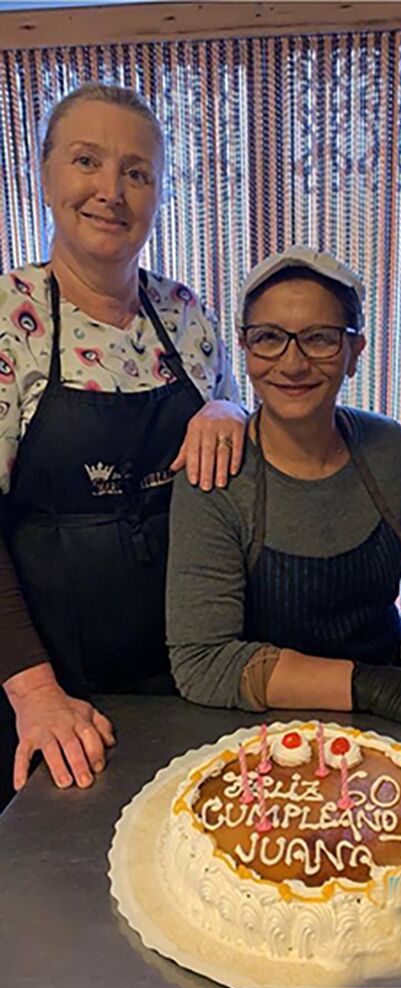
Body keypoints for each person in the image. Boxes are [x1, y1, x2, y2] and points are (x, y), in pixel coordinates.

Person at [0, 82, 246, 798]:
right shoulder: (11, 317)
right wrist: (35, 692)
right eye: (86, 161)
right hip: (52, 697)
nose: (111, 190)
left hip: (189, 678)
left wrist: (231, 412)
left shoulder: (185, 314)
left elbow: (236, 442)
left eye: (136, 173)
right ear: (44, 177)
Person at [167, 246, 401, 737]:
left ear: (354, 354)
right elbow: (203, 663)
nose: (293, 363)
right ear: (244, 348)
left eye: (320, 339)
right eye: (268, 339)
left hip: (392, 726)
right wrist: (371, 687)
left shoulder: (391, 451)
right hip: (261, 738)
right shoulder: (216, 474)